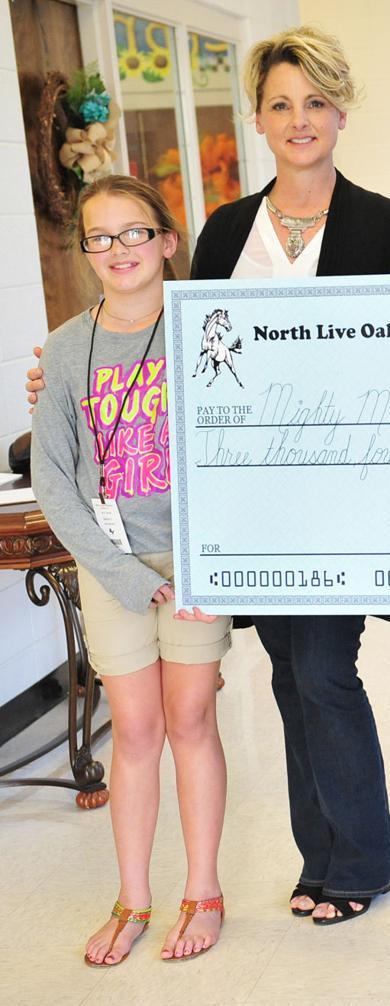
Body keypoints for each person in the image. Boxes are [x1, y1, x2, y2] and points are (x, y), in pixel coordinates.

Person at [23, 26, 390, 924]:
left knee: (323, 670)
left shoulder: (383, 224)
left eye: (315, 101)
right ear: (259, 118)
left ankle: (359, 860)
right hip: (245, 508)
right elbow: (176, 353)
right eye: (281, 103)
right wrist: (64, 372)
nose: (299, 119)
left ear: (341, 110)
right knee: (286, 673)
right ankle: (319, 860)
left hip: (339, 500)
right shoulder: (230, 229)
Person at [31, 175, 233, 964]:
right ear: (84, 251)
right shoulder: (66, 347)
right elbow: (54, 477)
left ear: (167, 241)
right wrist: (125, 576)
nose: (119, 250)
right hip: (112, 567)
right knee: (137, 730)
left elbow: (235, 450)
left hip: (195, 565)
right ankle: (133, 897)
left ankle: (204, 890)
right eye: (100, 237)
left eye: (134, 233)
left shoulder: (208, 329)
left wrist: (199, 567)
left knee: (191, 722)